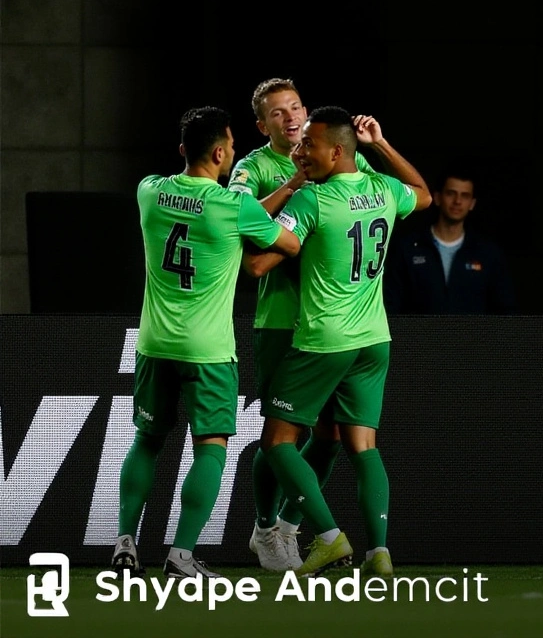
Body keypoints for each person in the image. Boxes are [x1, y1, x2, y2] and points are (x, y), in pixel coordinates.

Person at [111, 107, 300, 578]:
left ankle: (125, 543)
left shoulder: (149, 191)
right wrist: (294, 189)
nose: (233, 153)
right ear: (219, 153)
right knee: (211, 447)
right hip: (209, 352)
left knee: (147, 440)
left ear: (182, 151)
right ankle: (180, 554)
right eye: (231, 147)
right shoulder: (234, 208)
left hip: (154, 344)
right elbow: (290, 244)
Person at [245, 107, 431, 577]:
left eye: (309, 144)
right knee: (362, 445)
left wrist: (278, 211)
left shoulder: (314, 201)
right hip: (374, 340)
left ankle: (327, 537)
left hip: (324, 339)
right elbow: (424, 195)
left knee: (277, 441)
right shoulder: (384, 190)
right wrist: (382, 144)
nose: (300, 152)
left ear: (336, 151)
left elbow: (258, 265)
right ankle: (380, 552)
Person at [229, 78, 378, 571]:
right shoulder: (255, 166)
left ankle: (291, 526)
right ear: (262, 124)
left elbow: (376, 197)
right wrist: (292, 187)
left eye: (295, 108)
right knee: (281, 435)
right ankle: (266, 527)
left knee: (330, 436)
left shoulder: (334, 155)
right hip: (281, 319)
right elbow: (237, 218)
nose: (290, 118)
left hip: (338, 327)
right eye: (277, 113)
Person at [383, 169, 517, 314]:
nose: (457, 201)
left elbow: (505, 310)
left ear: (472, 203)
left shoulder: (488, 254)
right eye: (451, 193)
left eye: (465, 196)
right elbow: (391, 306)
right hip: (421, 336)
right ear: (437, 197)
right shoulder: (408, 248)